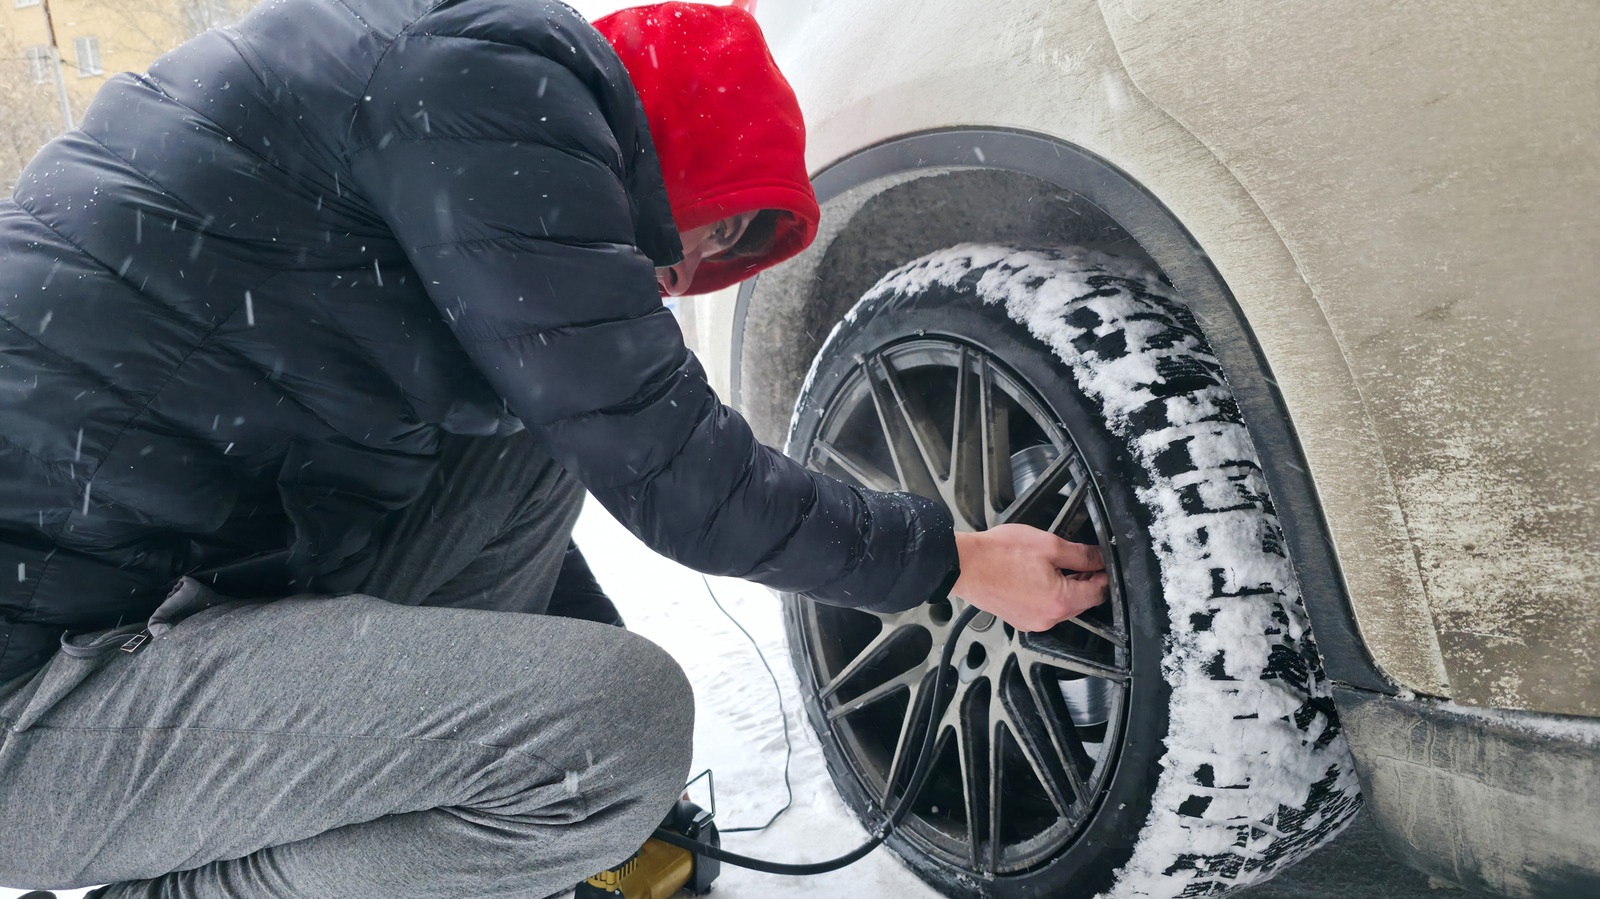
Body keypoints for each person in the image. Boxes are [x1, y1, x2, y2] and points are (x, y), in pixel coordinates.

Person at [0, 2, 1107, 896]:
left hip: (137, 586)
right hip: (33, 693)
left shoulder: (441, 85)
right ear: (676, 133)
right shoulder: (489, 89)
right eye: (715, 228)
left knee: (539, 438)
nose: (685, 272)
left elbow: (576, 469)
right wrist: (952, 559)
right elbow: (683, 478)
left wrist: (597, 789)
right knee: (615, 733)